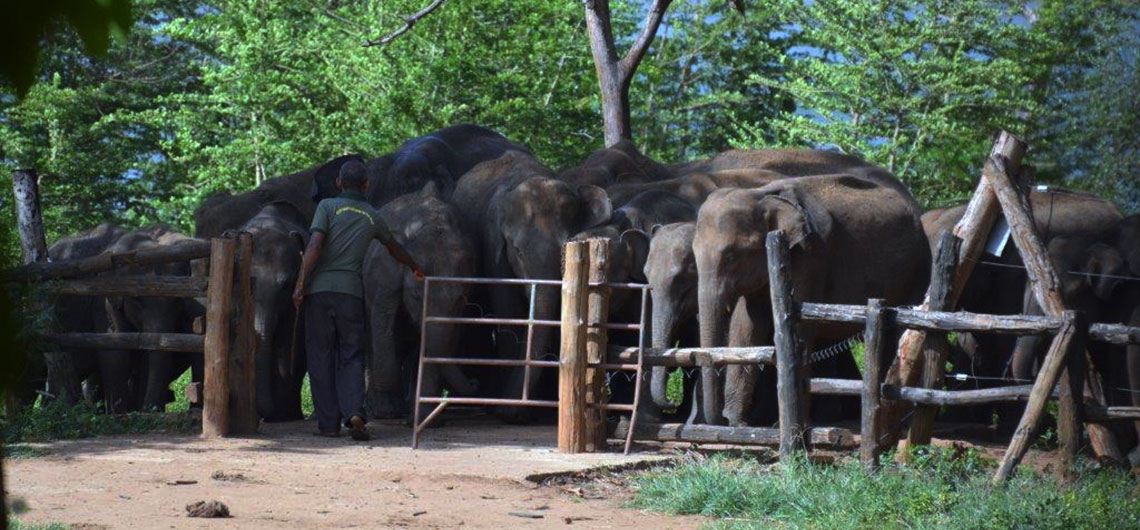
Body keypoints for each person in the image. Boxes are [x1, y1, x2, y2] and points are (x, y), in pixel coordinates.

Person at [293, 160, 425, 441]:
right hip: (351, 295)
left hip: (319, 294)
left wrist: (300, 284)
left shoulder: (326, 206)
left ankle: (328, 424)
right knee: (352, 356)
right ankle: (354, 411)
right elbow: (394, 248)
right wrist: (415, 266)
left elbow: (315, 246)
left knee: (320, 357)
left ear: (339, 183)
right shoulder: (371, 215)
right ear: (366, 185)